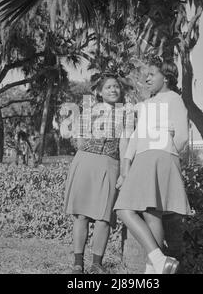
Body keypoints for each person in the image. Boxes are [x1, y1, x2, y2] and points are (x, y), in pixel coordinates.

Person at [114, 59, 191, 274]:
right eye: (145, 75)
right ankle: (159, 263)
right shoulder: (146, 104)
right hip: (143, 158)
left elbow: (182, 136)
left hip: (161, 157)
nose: (146, 78)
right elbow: (136, 137)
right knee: (139, 211)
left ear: (166, 77)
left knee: (145, 211)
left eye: (152, 74)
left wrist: (165, 150)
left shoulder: (174, 98)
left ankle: (154, 268)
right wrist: (127, 164)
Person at [64, 74, 130, 274]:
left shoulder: (126, 114)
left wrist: (124, 173)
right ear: (100, 92)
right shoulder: (89, 111)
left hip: (110, 165)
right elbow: (79, 139)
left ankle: (97, 264)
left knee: (104, 218)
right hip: (86, 162)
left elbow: (125, 143)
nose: (113, 90)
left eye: (116, 87)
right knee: (82, 215)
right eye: (108, 87)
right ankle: (78, 263)